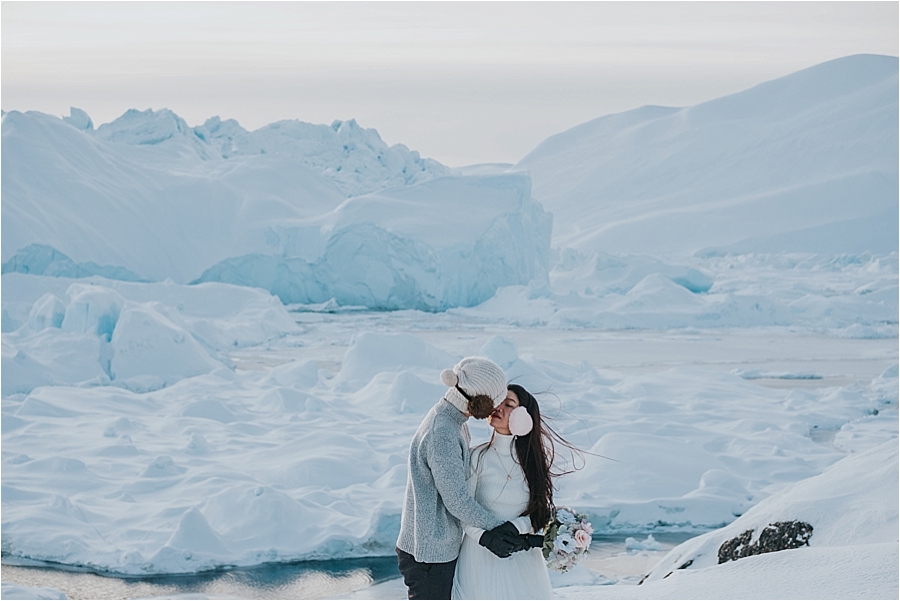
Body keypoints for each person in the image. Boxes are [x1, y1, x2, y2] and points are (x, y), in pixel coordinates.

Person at [396, 357, 533, 600]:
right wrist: (498, 532)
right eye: (495, 400)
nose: (496, 408)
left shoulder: (454, 421)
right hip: (428, 551)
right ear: (478, 400)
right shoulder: (443, 432)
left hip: (435, 546)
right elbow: (457, 500)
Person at [452, 384, 568, 600]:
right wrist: (486, 538)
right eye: (499, 401)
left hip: (521, 558)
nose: (499, 407)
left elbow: (539, 512)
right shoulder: (475, 457)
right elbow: (462, 508)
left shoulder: (532, 463)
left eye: (509, 404)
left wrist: (514, 529)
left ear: (523, 416)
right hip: (479, 556)